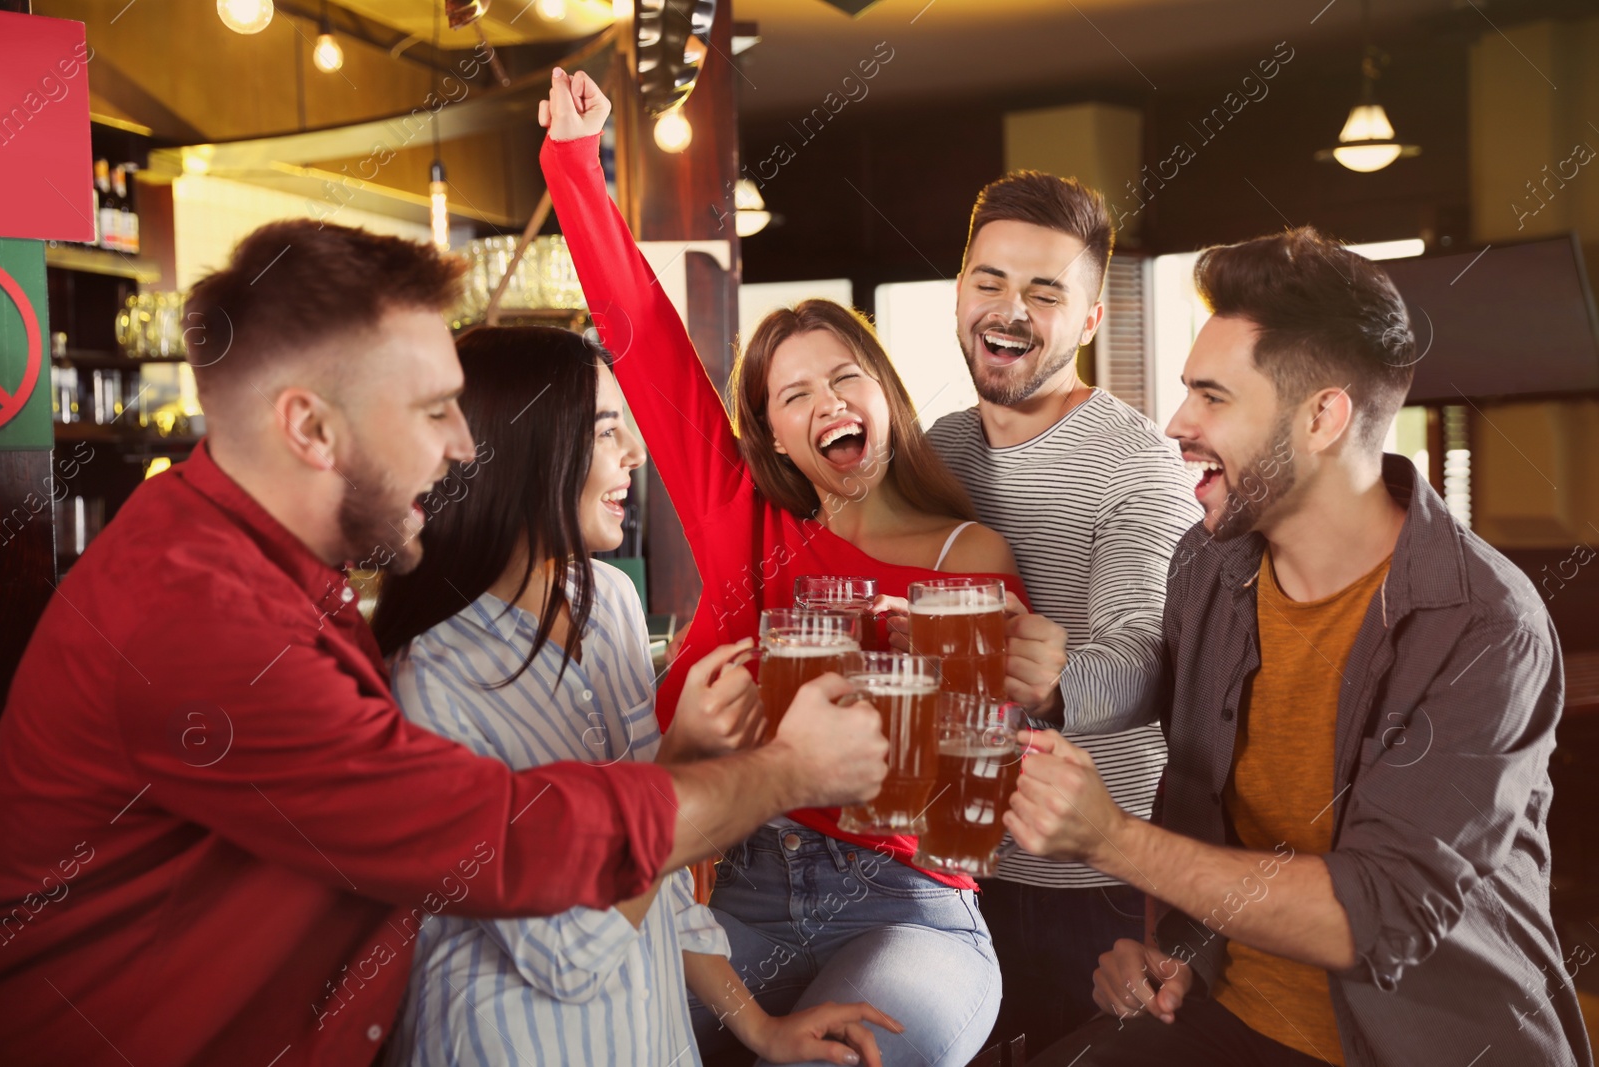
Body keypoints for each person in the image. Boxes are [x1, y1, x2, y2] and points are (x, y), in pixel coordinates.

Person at [0, 220, 891, 1067]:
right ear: (311, 428)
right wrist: (789, 770)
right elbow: (508, 842)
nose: (465, 446)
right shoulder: (200, 623)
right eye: (433, 410)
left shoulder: (268, 564)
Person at [539, 68, 1064, 1067]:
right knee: (581, 1037)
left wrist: (969, 700)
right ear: (772, 436)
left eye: (844, 375)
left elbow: (979, 799)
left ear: (882, 395)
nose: (826, 401)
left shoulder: (968, 556)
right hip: (736, 886)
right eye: (793, 394)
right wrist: (575, 164)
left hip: (906, 901)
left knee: (858, 1055)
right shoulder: (742, 516)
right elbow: (642, 338)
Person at [1006, 228, 1593, 1067]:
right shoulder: (1208, 564)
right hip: (1232, 1011)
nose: (1178, 422)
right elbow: (1197, 786)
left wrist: (1109, 839)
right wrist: (1172, 950)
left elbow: (1377, 910)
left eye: (1212, 396)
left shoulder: (1486, 625)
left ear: (1322, 417)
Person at [373, 325, 901, 1067]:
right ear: (518, 453)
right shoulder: (433, 680)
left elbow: (666, 875)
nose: (636, 454)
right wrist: (688, 757)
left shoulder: (608, 599)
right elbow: (568, 951)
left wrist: (760, 1026)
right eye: (605, 432)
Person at [924, 171, 1201, 1051]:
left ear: (1088, 321)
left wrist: (1052, 686)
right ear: (961, 288)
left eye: (1044, 293)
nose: (1009, 310)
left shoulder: (1138, 462)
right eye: (989, 281)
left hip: (1093, 888)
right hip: (944, 871)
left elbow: (1145, 656)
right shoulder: (938, 450)